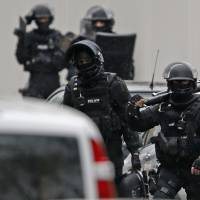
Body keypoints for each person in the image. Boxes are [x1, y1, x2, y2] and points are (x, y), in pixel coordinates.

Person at [63, 39, 140, 191]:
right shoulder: (72, 87)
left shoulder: (114, 83)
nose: (84, 63)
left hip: (111, 153)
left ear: (96, 58)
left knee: (112, 190)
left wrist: (136, 151)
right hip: (84, 154)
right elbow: (64, 124)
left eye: (87, 59)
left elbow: (128, 120)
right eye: (80, 60)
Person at [127, 61, 200, 199]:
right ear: (169, 84)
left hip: (195, 169)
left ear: (192, 83)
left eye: (184, 82)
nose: (180, 86)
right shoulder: (162, 107)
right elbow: (138, 125)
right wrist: (131, 110)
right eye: (176, 83)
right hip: (170, 169)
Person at [14, 4, 65, 99]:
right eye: (40, 19)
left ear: (50, 19)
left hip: (52, 81)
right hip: (35, 81)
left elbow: (63, 62)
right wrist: (21, 39)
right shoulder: (29, 37)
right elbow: (21, 58)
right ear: (35, 20)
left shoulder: (57, 36)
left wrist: (50, 60)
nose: (43, 21)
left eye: (45, 18)